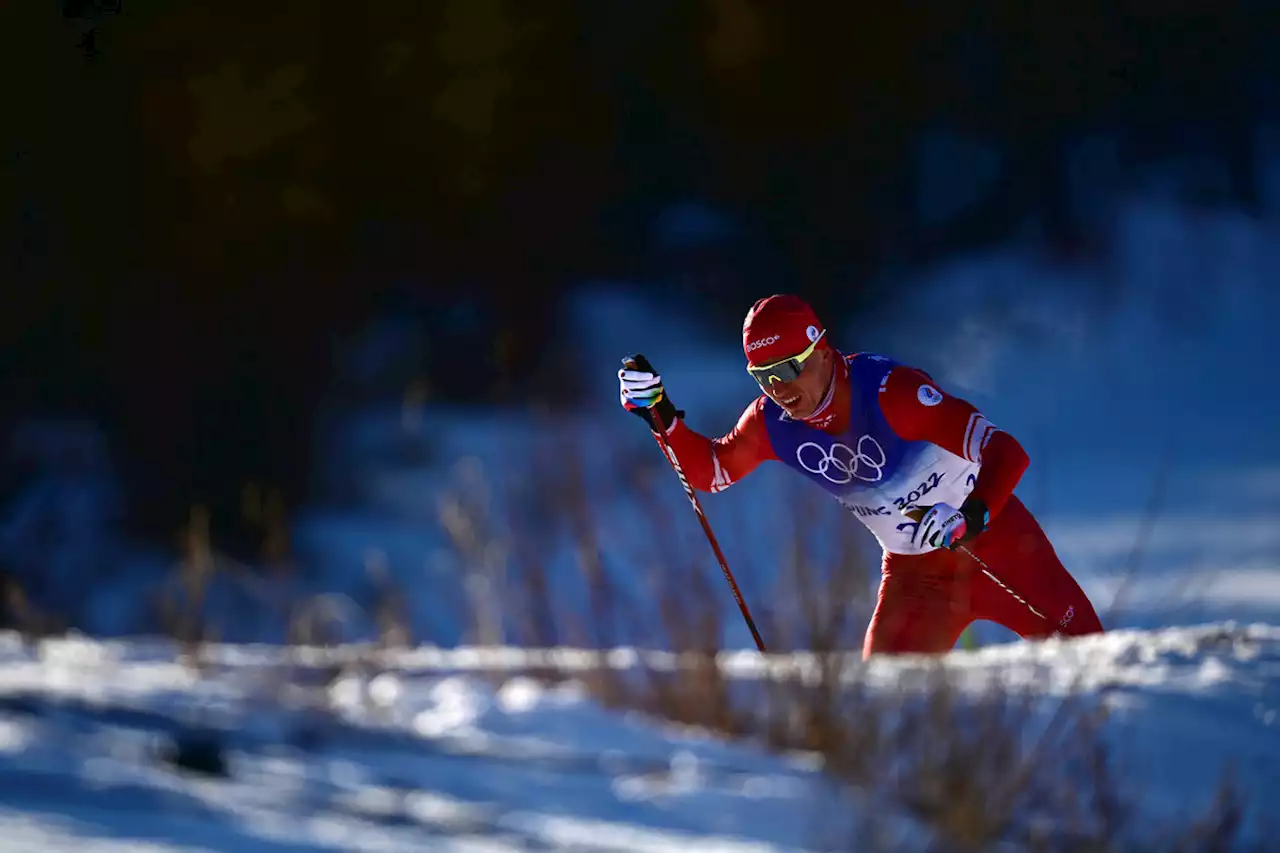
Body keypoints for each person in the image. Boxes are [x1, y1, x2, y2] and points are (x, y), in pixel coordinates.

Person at [618, 293, 1104, 658]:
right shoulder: (771, 423)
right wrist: (661, 414)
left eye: (789, 368)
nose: (779, 388)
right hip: (917, 581)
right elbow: (712, 471)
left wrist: (969, 515)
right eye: (763, 375)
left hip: (997, 546)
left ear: (823, 351)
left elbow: (1006, 452)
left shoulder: (892, 392)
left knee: (1098, 670)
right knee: (883, 713)